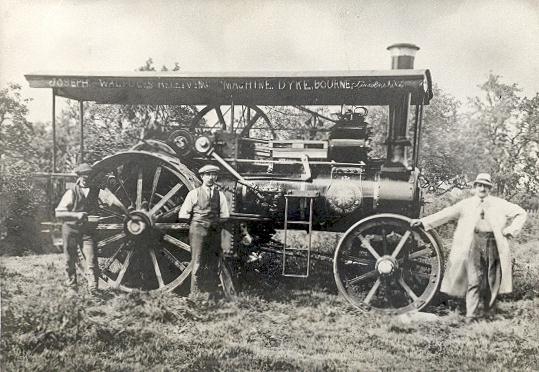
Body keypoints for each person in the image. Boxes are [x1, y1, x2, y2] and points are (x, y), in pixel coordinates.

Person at [410, 173, 527, 321]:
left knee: (492, 279)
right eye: (479, 185)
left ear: (489, 188)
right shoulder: (466, 204)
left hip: (494, 243)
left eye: (485, 185)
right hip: (474, 242)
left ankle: (488, 313)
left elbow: (521, 213)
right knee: (474, 279)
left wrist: (511, 230)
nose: (482, 188)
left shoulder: (499, 203)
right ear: (475, 187)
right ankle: (471, 315)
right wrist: (423, 222)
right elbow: (446, 214)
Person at [55, 162, 125, 293]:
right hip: (71, 229)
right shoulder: (71, 192)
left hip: (87, 231)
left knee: (91, 260)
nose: (87, 180)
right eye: (84, 177)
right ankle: (72, 288)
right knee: (70, 260)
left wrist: (126, 210)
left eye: (89, 177)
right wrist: (76, 215)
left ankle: (93, 290)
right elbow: (58, 213)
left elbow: (111, 199)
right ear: (80, 177)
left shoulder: (96, 190)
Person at [178, 164, 235, 299]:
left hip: (213, 232)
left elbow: (225, 215)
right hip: (198, 231)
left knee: (213, 262)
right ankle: (195, 293)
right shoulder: (194, 193)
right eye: (208, 175)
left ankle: (211, 293)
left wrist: (213, 223)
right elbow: (183, 214)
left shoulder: (220, 195)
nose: (211, 178)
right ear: (202, 177)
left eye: (214, 175)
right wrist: (197, 224)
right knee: (197, 262)